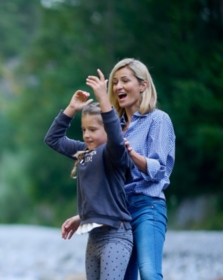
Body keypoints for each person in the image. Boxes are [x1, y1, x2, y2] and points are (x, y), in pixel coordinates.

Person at [61, 58, 176, 280]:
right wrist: (83, 215)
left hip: (146, 206)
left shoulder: (158, 120)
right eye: (114, 82)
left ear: (143, 85)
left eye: (125, 80)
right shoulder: (112, 127)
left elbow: (160, 169)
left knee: (149, 272)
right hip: (118, 213)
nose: (118, 87)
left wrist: (131, 154)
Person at [45, 69, 134, 280]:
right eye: (84, 130)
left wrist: (103, 98)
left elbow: (114, 134)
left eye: (93, 130)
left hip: (115, 236)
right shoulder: (84, 153)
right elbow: (53, 140)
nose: (86, 135)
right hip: (94, 238)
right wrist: (71, 109)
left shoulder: (113, 153)